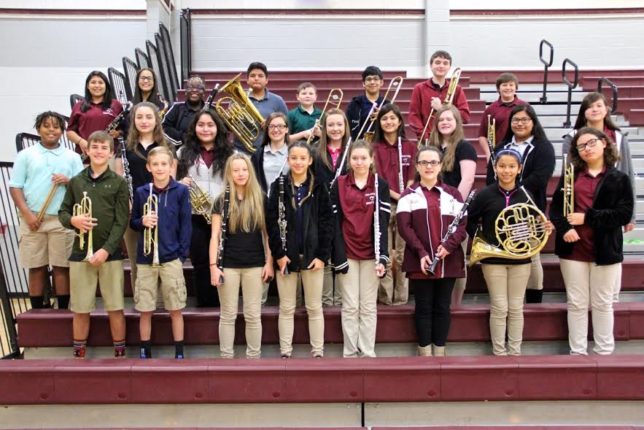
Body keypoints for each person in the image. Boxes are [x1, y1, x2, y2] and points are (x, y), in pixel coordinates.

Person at [550, 128, 633, 356]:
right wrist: (565, 228)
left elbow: (623, 214)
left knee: (602, 303)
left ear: (604, 143)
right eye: (581, 146)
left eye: (591, 143)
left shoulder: (619, 178)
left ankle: (604, 352)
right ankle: (577, 352)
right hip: (573, 248)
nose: (587, 149)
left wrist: (587, 217)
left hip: (605, 249)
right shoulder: (571, 175)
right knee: (576, 303)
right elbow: (556, 210)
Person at [468, 149, 551, 356]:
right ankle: (499, 352)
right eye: (502, 166)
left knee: (515, 307)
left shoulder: (526, 195)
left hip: (521, 258)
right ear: (495, 168)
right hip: (493, 258)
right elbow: (469, 221)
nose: (507, 170)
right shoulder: (485, 194)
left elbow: (535, 223)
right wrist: (484, 238)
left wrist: (543, 228)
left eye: (512, 166)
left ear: (519, 168)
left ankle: (515, 352)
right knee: (499, 307)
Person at [58, 131, 129, 358]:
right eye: (94, 147)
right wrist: (73, 220)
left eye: (103, 147)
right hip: (81, 254)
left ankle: (120, 353)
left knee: (115, 307)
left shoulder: (118, 183)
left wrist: (106, 250)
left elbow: (121, 221)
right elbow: (63, 212)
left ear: (111, 153)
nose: (99, 151)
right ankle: (79, 354)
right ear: (86, 150)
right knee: (80, 308)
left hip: (110, 255)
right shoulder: (77, 181)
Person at [562, 92, 636, 302]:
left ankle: (611, 297)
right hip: (582, 199)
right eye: (589, 106)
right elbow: (568, 174)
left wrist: (631, 216)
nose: (594, 110)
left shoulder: (618, 136)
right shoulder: (571, 136)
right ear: (583, 111)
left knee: (610, 250)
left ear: (606, 109)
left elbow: (628, 174)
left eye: (598, 106)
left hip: (612, 206)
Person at [397, 146, 467, 357]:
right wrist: (421, 252)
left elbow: (462, 225)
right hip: (421, 260)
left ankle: (440, 351)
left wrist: (448, 246)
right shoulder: (408, 195)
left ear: (440, 165)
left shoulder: (453, 194)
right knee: (424, 307)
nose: (429, 166)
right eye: (424, 163)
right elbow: (404, 227)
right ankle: (424, 352)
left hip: (449, 259)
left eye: (433, 162)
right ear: (417, 166)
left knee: (443, 307)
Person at [266, 141, 333, 358]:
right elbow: (272, 223)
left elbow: (327, 224)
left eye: (302, 158)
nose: (298, 162)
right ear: (288, 160)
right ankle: (286, 351)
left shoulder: (320, 186)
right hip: (286, 257)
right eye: (293, 158)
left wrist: (323, 256)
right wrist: (279, 254)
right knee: (286, 308)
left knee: (314, 307)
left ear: (310, 160)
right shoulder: (278, 186)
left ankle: (318, 351)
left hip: (313, 257)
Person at [10, 111, 84, 309]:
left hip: (62, 219)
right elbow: (15, 186)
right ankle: (36, 310)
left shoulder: (72, 157)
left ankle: (62, 309)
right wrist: (27, 214)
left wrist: (68, 181)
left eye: (56, 127)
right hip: (32, 218)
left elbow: (83, 187)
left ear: (62, 131)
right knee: (36, 266)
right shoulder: (26, 155)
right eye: (46, 126)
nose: (51, 130)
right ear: (38, 129)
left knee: (62, 266)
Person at [486, 104, 555, 304]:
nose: (520, 123)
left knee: (531, 255)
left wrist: (512, 190)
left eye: (525, 120)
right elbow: (491, 177)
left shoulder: (543, 147)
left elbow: (541, 178)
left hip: (531, 210)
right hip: (503, 210)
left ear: (533, 122)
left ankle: (534, 300)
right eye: (516, 120)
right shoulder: (502, 147)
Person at [209, 153, 273, 358]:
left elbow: (268, 236)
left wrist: (269, 263)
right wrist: (213, 266)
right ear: (229, 173)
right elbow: (215, 236)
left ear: (250, 172)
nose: (240, 174)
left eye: (244, 170)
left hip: (255, 264)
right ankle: (226, 358)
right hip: (227, 264)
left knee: (253, 315)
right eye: (235, 170)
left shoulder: (261, 198)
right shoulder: (221, 200)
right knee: (227, 315)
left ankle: (253, 358)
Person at [130, 146, 191, 359]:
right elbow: (133, 223)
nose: (160, 168)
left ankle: (179, 351)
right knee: (145, 308)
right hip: (146, 259)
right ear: (148, 167)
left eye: (164, 164)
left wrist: (181, 254)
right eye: (155, 164)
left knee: (175, 308)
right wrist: (142, 221)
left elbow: (186, 225)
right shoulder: (141, 192)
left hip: (171, 258)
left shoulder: (181, 191)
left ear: (172, 166)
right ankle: (145, 349)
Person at [331, 140, 390, 357]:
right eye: (355, 158)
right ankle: (349, 352)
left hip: (370, 255)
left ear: (371, 160)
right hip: (347, 253)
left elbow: (383, 222)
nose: (359, 162)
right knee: (350, 306)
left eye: (363, 158)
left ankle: (367, 351)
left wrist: (382, 257)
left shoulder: (380, 185)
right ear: (349, 160)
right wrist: (338, 257)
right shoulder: (338, 184)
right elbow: (334, 224)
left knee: (367, 306)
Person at [115, 102, 176, 295]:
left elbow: (171, 180)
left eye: (149, 117)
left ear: (156, 120)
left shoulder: (167, 146)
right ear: (133, 120)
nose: (144, 121)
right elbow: (119, 180)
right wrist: (129, 204)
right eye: (139, 117)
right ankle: (142, 301)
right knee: (136, 260)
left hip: (162, 209)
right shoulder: (125, 146)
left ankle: (164, 302)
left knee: (163, 259)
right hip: (133, 210)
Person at [177, 110, 233, 308]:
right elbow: (172, 183)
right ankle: (205, 304)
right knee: (200, 260)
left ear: (218, 128)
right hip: (195, 215)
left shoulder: (231, 153)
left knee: (224, 259)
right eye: (201, 125)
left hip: (224, 214)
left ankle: (225, 304)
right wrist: (179, 183)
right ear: (194, 128)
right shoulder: (182, 153)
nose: (206, 129)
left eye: (210, 125)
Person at [428, 105, 477, 306]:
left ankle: (454, 304)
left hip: (456, 211)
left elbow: (467, 180)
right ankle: (437, 303)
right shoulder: (431, 148)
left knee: (455, 258)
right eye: (441, 119)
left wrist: (453, 208)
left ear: (457, 122)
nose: (445, 123)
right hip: (432, 211)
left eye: (449, 119)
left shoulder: (465, 147)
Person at [371, 103, 417, 305]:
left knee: (402, 253)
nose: (389, 122)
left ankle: (401, 296)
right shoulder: (374, 148)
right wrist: (398, 195)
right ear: (379, 123)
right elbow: (377, 178)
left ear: (399, 121)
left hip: (406, 203)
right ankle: (385, 295)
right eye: (384, 118)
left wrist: (405, 193)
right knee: (385, 253)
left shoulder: (410, 146)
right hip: (383, 203)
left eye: (392, 118)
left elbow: (413, 174)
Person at [314, 108, 351, 306]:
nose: (335, 128)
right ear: (324, 128)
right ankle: (327, 298)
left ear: (345, 127)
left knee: (343, 251)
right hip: (322, 210)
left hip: (347, 210)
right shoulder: (315, 152)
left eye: (339, 124)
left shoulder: (353, 151)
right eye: (331, 125)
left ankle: (342, 297)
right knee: (325, 251)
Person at [408, 50, 470, 144]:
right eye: (437, 63)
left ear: (449, 67)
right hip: (428, 140)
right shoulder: (419, 88)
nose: (441, 66)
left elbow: (465, 117)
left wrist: (441, 108)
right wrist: (425, 137)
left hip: (451, 141)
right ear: (431, 66)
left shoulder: (457, 89)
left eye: (445, 63)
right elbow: (413, 117)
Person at [67, 70, 123, 158]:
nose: (97, 85)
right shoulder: (79, 106)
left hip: (109, 156)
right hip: (85, 155)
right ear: (88, 86)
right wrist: (80, 141)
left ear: (106, 86)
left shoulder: (116, 105)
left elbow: (124, 129)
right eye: (93, 82)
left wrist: (117, 133)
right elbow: (70, 132)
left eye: (101, 82)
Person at [477, 73, 527, 161]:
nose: (508, 88)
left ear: (516, 88)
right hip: (498, 154)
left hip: (521, 152)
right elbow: (482, 135)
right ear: (498, 89)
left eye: (511, 85)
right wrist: (489, 154)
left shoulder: (525, 107)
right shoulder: (490, 109)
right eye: (504, 85)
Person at [245, 61, 288, 151]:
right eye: (252, 76)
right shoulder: (237, 99)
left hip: (269, 150)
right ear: (247, 80)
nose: (256, 78)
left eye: (260, 76)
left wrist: (271, 123)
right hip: (241, 150)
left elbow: (287, 124)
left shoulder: (278, 100)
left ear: (266, 80)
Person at [346, 66, 388, 140]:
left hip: (381, 145)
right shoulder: (354, 104)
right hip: (359, 146)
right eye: (369, 79)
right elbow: (347, 127)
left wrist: (383, 116)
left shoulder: (387, 104)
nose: (372, 82)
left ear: (381, 82)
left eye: (375, 79)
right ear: (363, 84)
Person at [162, 76, 206, 145]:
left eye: (199, 88)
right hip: (181, 150)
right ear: (185, 92)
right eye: (190, 87)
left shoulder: (212, 109)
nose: (194, 90)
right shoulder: (176, 108)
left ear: (204, 92)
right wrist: (183, 138)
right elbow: (164, 127)